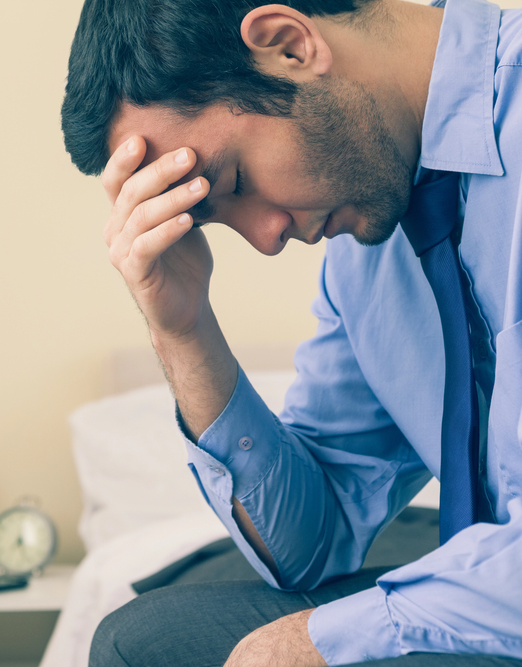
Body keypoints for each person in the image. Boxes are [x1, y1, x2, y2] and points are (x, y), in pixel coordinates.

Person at [60, 0, 522, 664]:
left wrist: (324, 637)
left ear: (289, 46)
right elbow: (316, 540)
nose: (266, 238)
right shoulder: (370, 243)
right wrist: (186, 332)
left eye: (235, 181)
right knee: (148, 644)